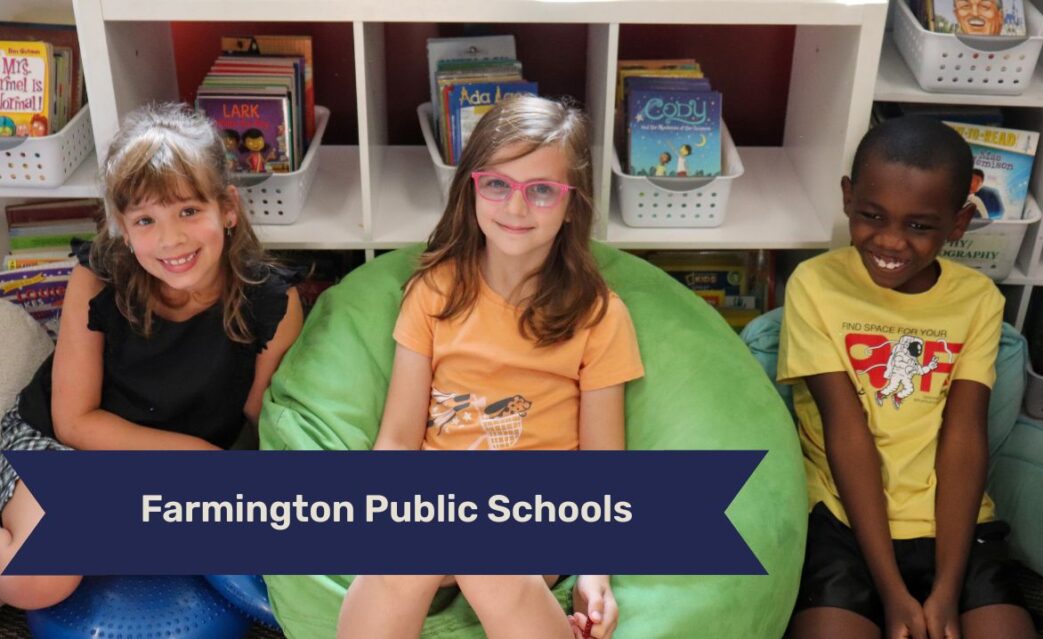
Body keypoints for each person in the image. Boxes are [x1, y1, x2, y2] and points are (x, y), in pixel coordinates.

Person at [337, 95, 643, 639]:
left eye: (541, 190)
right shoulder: (434, 291)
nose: (516, 208)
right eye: (498, 184)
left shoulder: (599, 316)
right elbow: (399, 438)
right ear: (472, 189)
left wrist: (596, 573)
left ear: (572, 205)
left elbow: (604, 467)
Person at [0, 102, 304, 610]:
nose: (171, 239)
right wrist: (203, 462)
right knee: (42, 579)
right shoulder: (98, 278)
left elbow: (261, 425)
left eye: (189, 211)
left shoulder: (274, 301)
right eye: (145, 220)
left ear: (228, 207)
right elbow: (74, 423)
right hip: (64, 447)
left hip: (174, 470)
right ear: (123, 226)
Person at [778, 115, 1034, 639]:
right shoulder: (814, 285)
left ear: (958, 223)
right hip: (842, 521)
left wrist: (947, 587)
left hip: (956, 525)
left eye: (919, 226)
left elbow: (965, 438)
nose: (891, 242)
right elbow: (846, 433)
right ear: (848, 198)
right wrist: (893, 591)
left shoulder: (978, 300)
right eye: (873, 216)